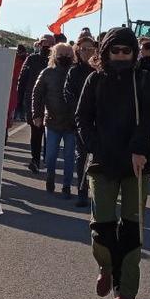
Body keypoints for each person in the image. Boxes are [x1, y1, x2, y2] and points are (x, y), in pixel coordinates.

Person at [76, 26, 150, 299]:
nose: (121, 55)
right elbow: (82, 118)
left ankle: (124, 291)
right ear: (105, 52)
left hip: (137, 161)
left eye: (127, 50)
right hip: (103, 161)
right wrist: (97, 147)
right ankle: (106, 266)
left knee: (132, 227)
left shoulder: (143, 80)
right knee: (102, 224)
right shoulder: (94, 80)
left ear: (134, 53)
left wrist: (138, 148)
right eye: (116, 50)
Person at [31, 42, 77, 197]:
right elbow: (37, 95)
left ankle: (66, 186)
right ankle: (50, 177)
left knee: (70, 157)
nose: (64, 58)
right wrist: (36, 115)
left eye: (68, 55)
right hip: (51, 122)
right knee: (50, 155)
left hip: (72, 124)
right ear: (54, 56)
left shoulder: (75, 72)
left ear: (73, 56)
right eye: (61, 55)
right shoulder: (47, 73)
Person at [64, 34, 98, 207]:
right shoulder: (73, 71)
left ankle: (101, 191)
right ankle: (82, 192)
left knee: (100, 157)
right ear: (78, 50)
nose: (86, 52)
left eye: (90, 49)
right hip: (81, 122)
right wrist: (79, 112)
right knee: (82, 157)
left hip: (99, 120)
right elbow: (68, 94)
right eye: (83, 49)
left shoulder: (99, 70)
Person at [17, 34, 54, 173]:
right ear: (39, 45)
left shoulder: (57, 61)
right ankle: (35, 160)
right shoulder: (31, 59)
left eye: (50, 44)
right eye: (45, 44)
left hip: (52, 104)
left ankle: (46, 159)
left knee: (50, 135)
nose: (47, 47)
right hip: (34, 102)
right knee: (36, 132)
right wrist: (19, 101)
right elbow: (22, 80)